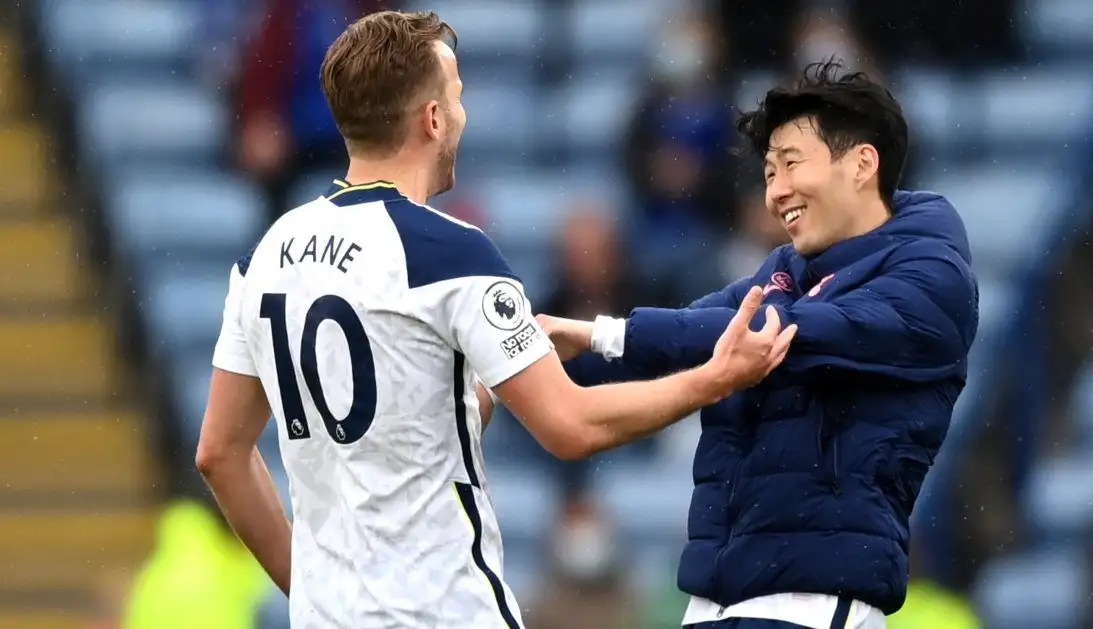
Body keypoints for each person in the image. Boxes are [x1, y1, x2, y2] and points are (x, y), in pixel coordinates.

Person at [193, 10, 796, 629]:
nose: (461, 113)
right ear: (431, 119)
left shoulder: (265, 256)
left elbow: (220, 453)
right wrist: (716, 378)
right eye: (455, 96)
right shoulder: (447, 251)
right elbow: (571, 426)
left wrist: (312, 590)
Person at [539, 61, 979, 629]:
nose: (777, 192)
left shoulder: (931, 275)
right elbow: (688, 333)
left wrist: (600, 332)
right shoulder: (786, 271)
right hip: (717, 601)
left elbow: (777, 334)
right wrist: (547, 347)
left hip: (811, 604)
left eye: (792, 165)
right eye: (769, 173)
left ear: (863, 164)